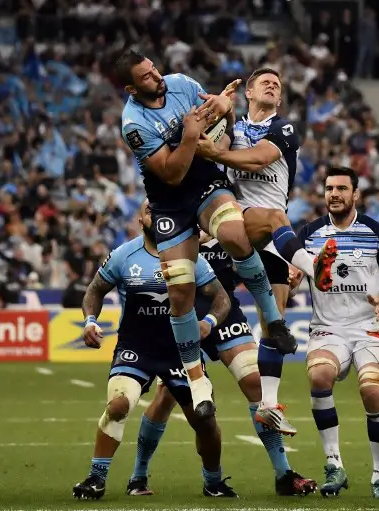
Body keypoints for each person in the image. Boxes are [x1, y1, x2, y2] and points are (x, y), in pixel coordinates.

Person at [116, 48, 296, 419]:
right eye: (146, 76)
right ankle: (197, 383)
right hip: (170, 203)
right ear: (132, 89)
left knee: (234, 234)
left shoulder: (182, 84)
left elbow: (220, 126)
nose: (157, 76)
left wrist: (224, 110)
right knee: (180, 292)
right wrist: (190, 135)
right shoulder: (133, 123)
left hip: (207, 186)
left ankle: (275, 322)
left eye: (154, 68)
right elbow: (171, 174)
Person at [124, 232, 317, 497]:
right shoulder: (179, 220)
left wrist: (286, 277)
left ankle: (284, 474)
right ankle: (139, 475)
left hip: (224, 310)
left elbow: (251, 267)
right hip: (181, 315)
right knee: (167, 395)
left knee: (255, 381)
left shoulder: (235, 224)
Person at [195, 67, 327, 435]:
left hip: (269, 236)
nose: (271, 85)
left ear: (279, 99)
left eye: (277, 85)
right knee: (274, 217)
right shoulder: (233, 128)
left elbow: (257, 159)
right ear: (249, 92)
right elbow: (210, 144)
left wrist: (217, 153)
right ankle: (314, 267)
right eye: (264, 82)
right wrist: (219, 110)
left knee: (275, 324)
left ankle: (268, 405)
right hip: (234, 226)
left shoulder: (284, 128)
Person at [73, 200, 236, 499]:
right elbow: (95, 290)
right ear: (140, 220)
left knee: (205, 421)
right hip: (136, 348)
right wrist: (90, 321)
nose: (156, 214)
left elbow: (221, 299)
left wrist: (209, 322)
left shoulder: (189, 257)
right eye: (150, 210)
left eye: (161, 209)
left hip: (181, 352)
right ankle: (96, 478)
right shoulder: (124, 255)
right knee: (119, 405)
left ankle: (213, 482)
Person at [296, 166, 379, 499]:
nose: (334, 194)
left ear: (355, 194)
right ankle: (334, 464)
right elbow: (293, 275)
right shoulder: (309, 234)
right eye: (330, 188)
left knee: (372, 391)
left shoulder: (376, 232)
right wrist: (291, 278)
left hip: (369, 327)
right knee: (319, 376)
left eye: (342, 188)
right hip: (327, 328)